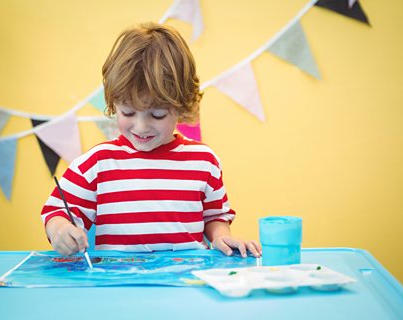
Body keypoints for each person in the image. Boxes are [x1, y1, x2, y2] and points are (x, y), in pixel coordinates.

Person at [41, 22, 262, 259]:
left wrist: (220, 235)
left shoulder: (203, 161)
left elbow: (215, 216)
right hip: (121, 285)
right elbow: (56, 212)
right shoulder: (97, 163)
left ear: (182, 106)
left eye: (157, 115)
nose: (141, 126)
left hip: (188, 282)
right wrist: (61, 230)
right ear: (113, 103)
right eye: (128, 113)